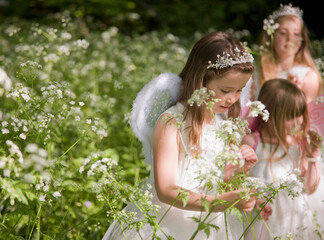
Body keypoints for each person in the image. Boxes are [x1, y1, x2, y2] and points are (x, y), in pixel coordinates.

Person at [103, 32, 259, 240]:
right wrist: (221, 202)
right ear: (200, 80)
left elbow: (213, 180)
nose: (232, 99)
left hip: (209, 224)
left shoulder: (222, 122)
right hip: (168, 225)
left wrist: (239, 170)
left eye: (239, 90)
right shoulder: (172, 121)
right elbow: (166, 190)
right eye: (225, 90)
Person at [242, 79, 322, 239]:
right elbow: (237, 179)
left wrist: (312, 157)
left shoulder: (299, 145)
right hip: (261, 217)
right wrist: (254, 196)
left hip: (291, 218)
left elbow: (308, 189)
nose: (300, 120)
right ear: (270, 116)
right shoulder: (252, 142)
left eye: (300, 113)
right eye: (292, 116)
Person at [255, 3, 323, 103]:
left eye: (296, 34)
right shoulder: (258, 72)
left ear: (302, 40)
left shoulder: (308, 77)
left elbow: (307, 116)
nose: (290, 38)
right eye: (283, 33)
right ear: (271, 36)